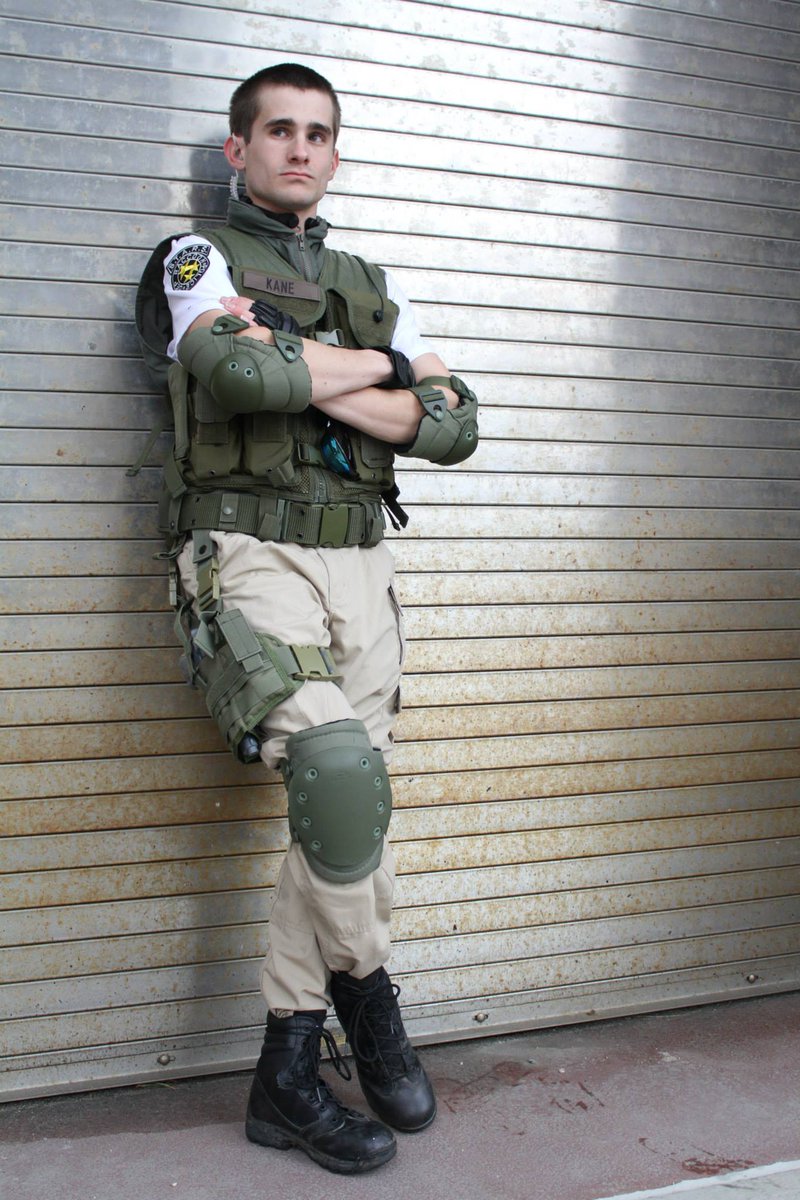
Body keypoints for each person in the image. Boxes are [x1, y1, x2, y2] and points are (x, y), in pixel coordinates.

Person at [136, 62, 478, 1175]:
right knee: (334, 769)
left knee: (348, 814)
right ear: (236, 150)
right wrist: (386, 374)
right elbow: (235, 375)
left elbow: (453, 424)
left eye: (318, 132)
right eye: (278, 130)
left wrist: (313, 366)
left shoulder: (372, 283)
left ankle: (285, 1073)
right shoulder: (197, 260)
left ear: (334, 152)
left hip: (360, 563)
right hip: (245, 552)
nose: (300, 148)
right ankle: (368, 993)